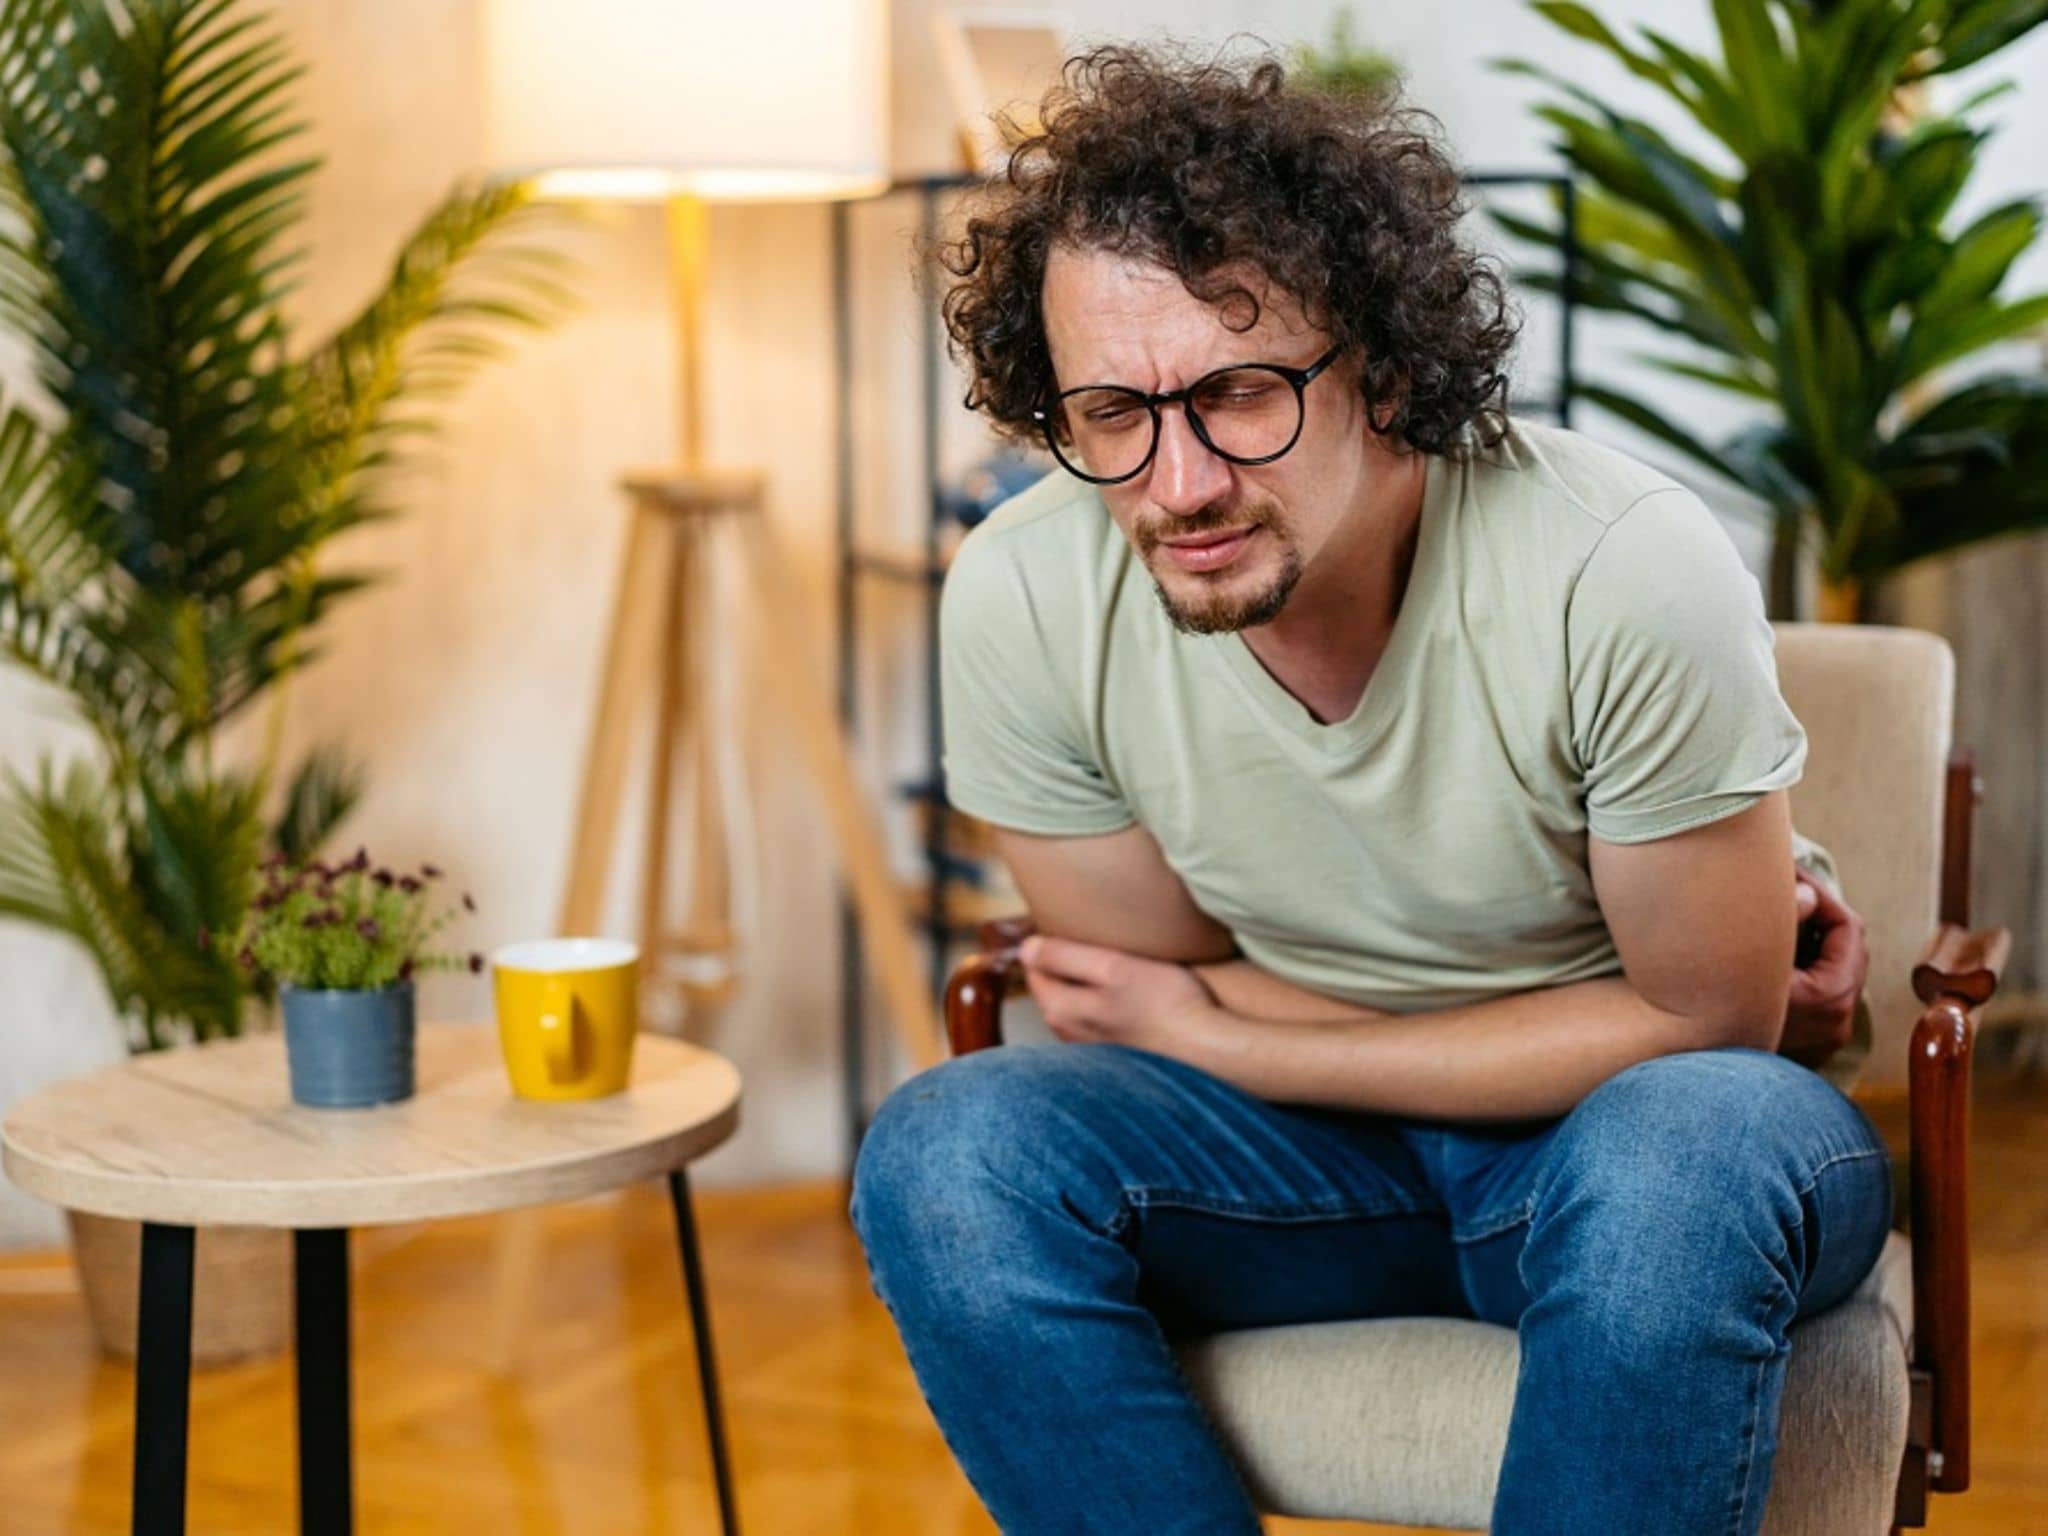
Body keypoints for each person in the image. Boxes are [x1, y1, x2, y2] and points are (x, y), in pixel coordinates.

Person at [850, 44, 1886, 1536]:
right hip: (1302, 1180)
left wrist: (1241, 1036)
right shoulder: (1022, 591)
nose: (1180, 484)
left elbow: (1701, 1029)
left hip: (1631, 1154)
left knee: (1689, 1137)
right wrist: (1219, 1025)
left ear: (1391, 367)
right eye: (1111, 415)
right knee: (950, 1149)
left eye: (1242, 392)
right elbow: (1141, 981)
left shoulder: (1623, 567)